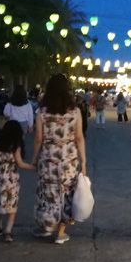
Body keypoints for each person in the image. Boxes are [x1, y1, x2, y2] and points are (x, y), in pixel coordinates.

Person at [30, 74, 87, 244]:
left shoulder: (42, 111)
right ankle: (60, 233)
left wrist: (34, 159)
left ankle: (47, 227)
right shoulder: (75, 112)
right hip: (69, 160)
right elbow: (79, 138)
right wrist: (83, 161)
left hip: (48, 160)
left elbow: (38, 139)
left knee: (48, 193)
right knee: (65, 194)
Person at [0, 120, 36, 243]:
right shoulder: (15, 146)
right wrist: (34, 167)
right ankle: (8, 230)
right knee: (11, 204)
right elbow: (20, 163)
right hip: (10, 179)